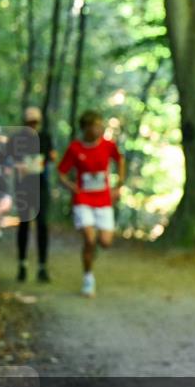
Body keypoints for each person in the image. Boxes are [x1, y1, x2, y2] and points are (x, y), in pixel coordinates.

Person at [57, 110, 125, 298]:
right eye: (95, 125)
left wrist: (118, 186)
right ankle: (88, 278)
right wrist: (71, 187)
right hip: (83, 199)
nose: (99, 128)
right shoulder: (75, 149)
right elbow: (61, 172)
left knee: (104, 242)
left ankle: (92, 250)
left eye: (100, 125)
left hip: (103, 198)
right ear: (86, 128)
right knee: (88, 238)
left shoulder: (108, 145)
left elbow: (120, 160)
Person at [9, 106, 57, 282]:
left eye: (35, 121)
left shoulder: (45, 137)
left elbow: (51, 156)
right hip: (23, 187)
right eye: (30, 121)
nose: (33, 125)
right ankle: (22, 265)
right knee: (24, 224)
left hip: (41, 186)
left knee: (42, 225)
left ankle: (42, 267)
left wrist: (49, 158)